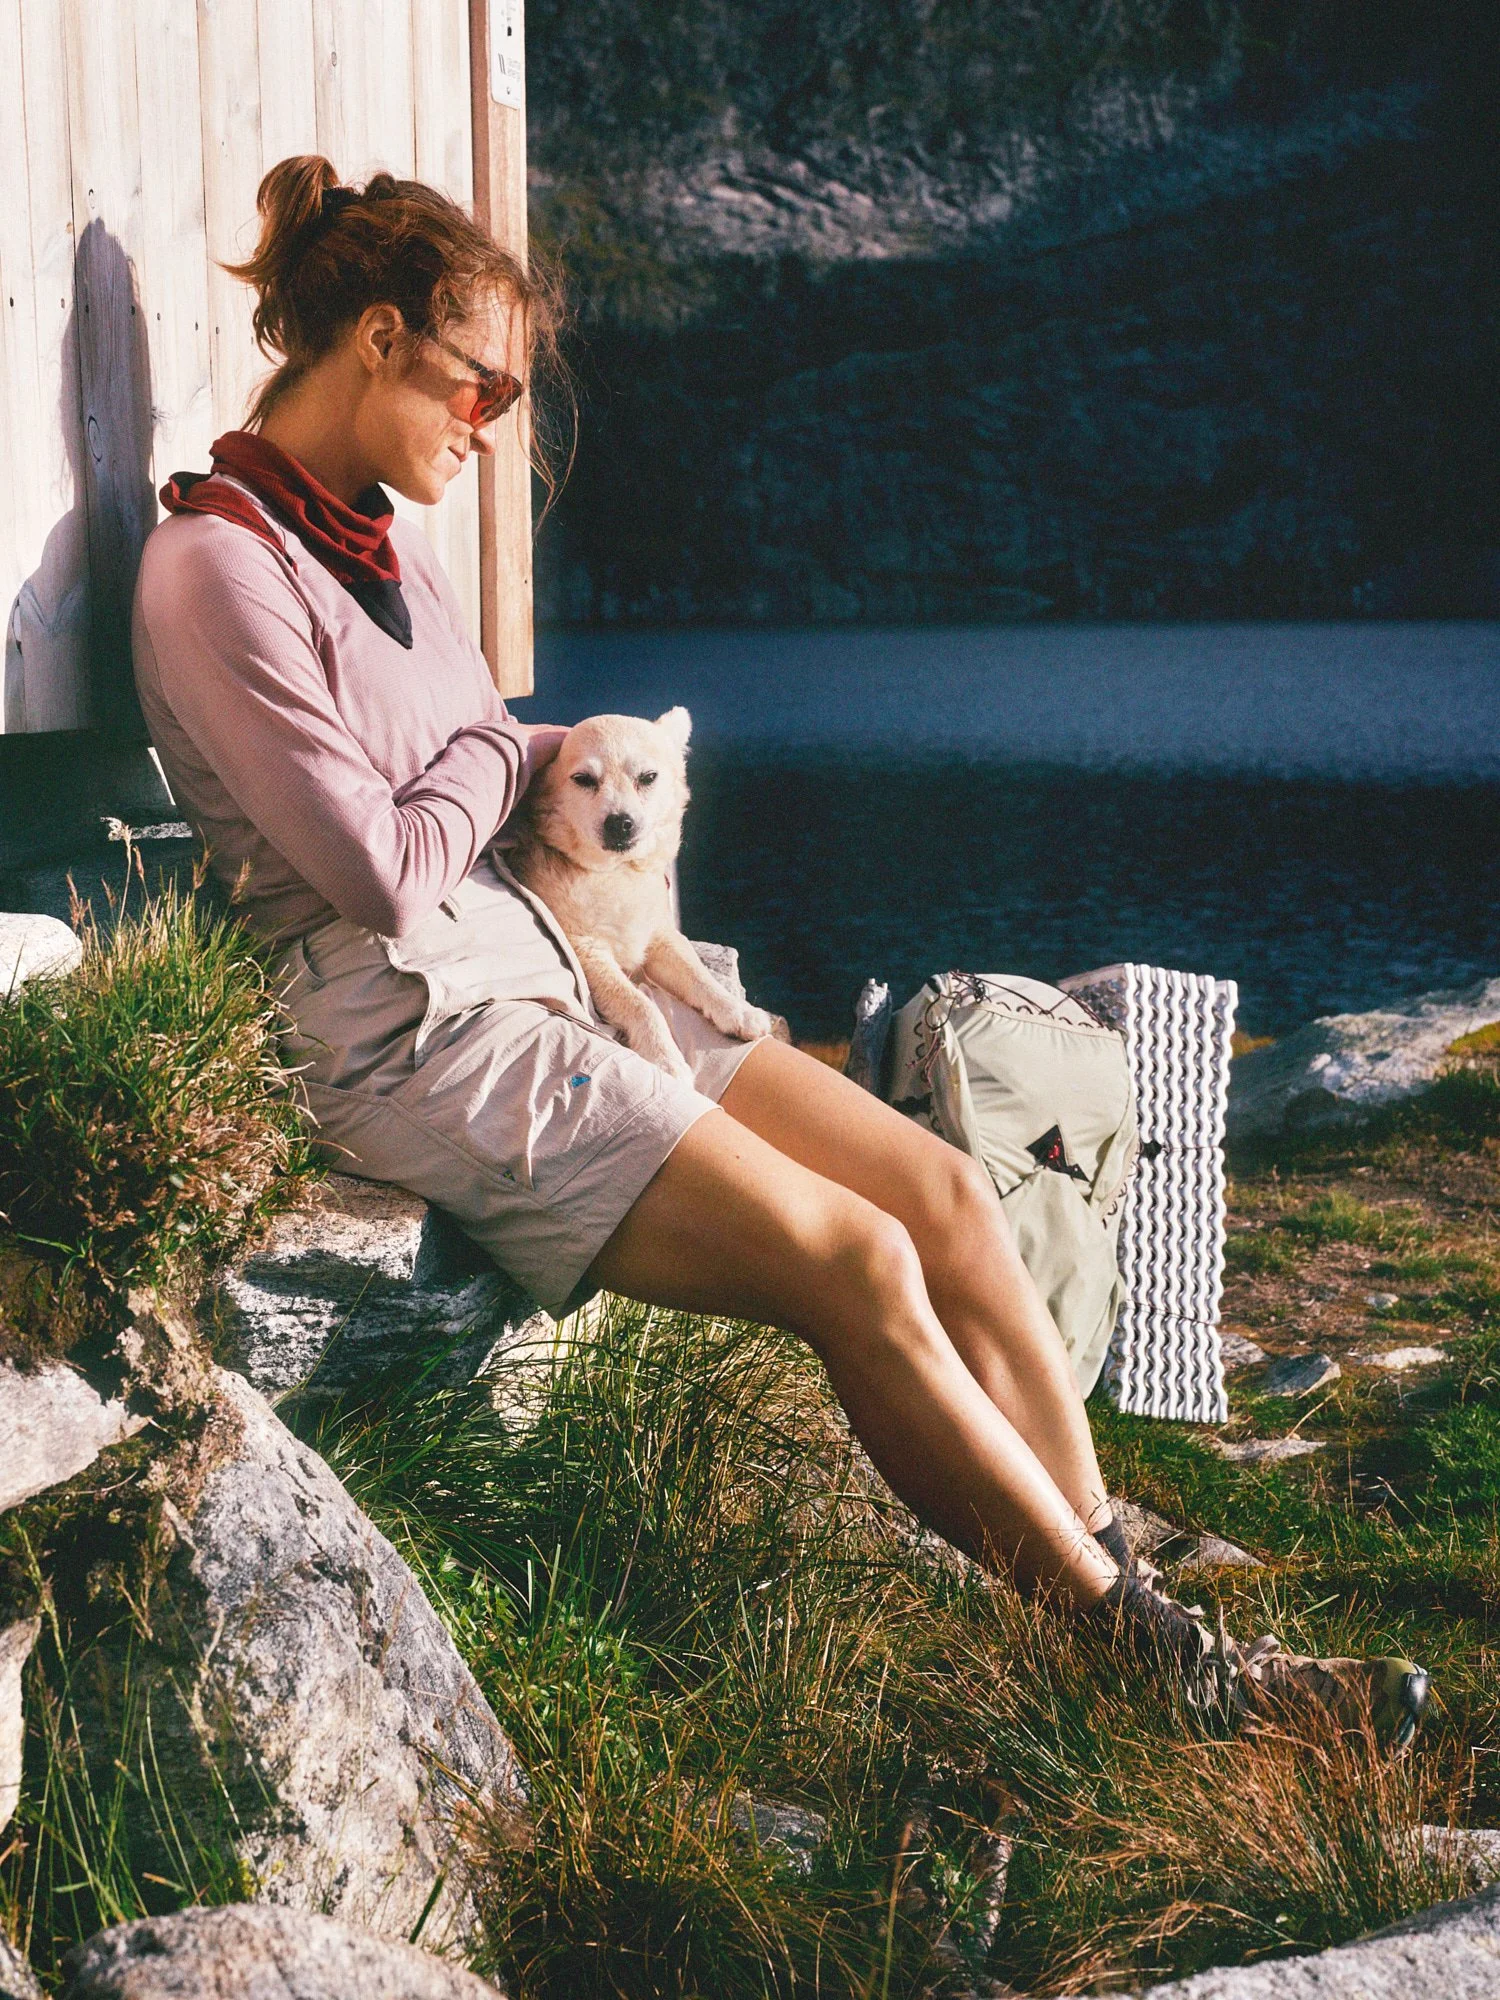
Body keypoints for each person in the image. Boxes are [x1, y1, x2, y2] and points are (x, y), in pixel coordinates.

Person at [131, 156, 1427, 1749]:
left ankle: (1118, 1566)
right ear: (384, 339)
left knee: (944, 1199)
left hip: (544, 964)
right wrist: (497, 752)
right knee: (855, 1263)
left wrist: (497, 746)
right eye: (485, 381)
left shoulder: (383, 552)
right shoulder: (216, 569)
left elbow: (465, 758)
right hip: (411, 1026)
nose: (492, 422)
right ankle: (1166, 1678)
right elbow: (384, 873)